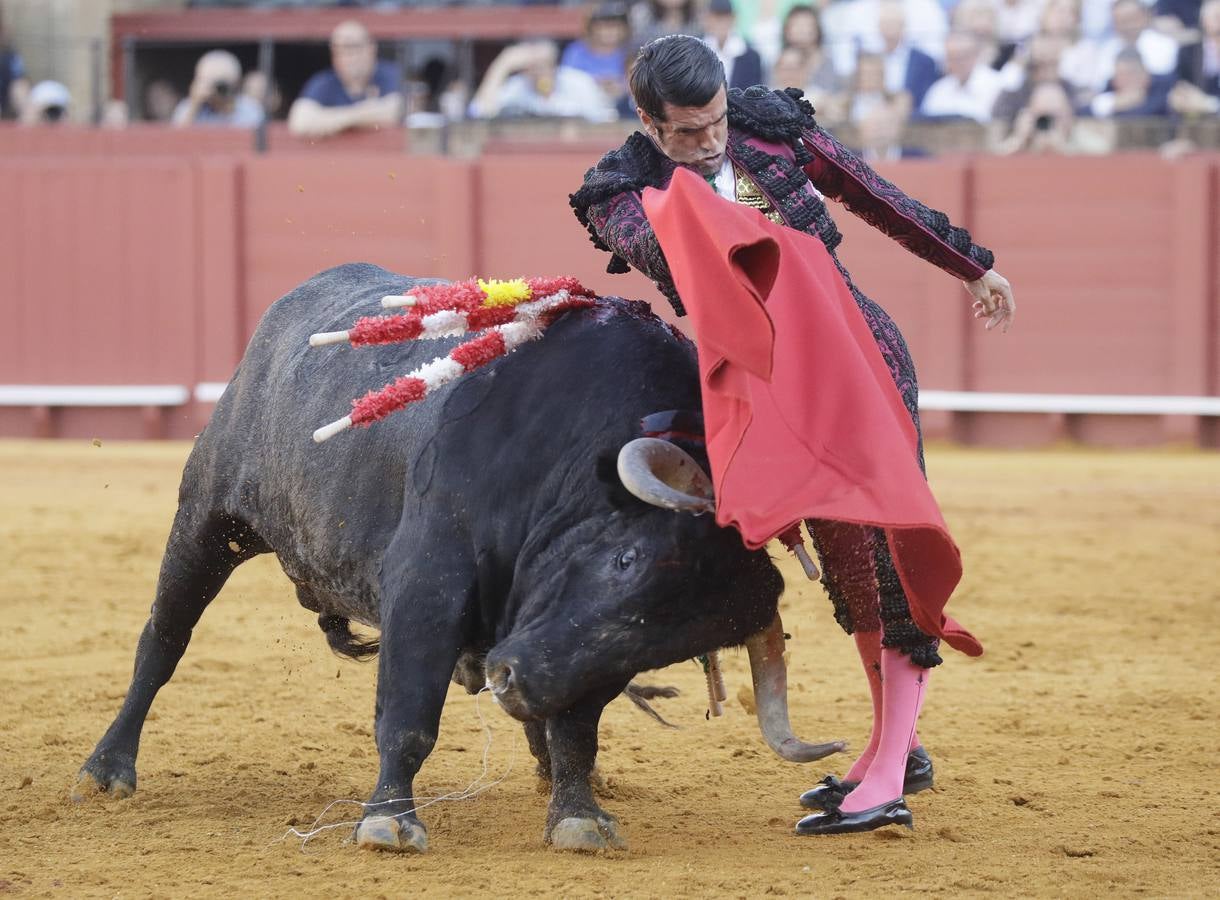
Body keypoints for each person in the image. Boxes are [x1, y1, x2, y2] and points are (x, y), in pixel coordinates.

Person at [570, 35, 1015, 836]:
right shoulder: (623, 189)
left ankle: (889, 772)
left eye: (716, 120)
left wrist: (971, 265)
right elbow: (678, 253)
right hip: (768, 383)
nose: (711, 140)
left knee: (885, 542)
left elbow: (874, 195)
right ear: (648, 120)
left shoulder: (769, 127)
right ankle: (897, 745)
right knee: (846, 561)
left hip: (858, 355)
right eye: (689, 132)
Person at [288, 20, 403, 139]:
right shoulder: (325, 81)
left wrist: (329, 119)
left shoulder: (392, 74)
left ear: (371, 48)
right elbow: (300, 122)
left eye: (355, 47)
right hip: (335, 150)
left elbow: (397, 110)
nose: (350, 56)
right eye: (342, 49)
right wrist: (364, 113)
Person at [468, 40, 615, 121]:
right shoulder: (518, 86)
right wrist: (503, 64)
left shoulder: (580, 83)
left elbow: (606, 120)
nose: (540, 73)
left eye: (545, 65)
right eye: (533, 67)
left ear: (555, 65)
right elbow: (478, 112)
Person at [561, 0, 634, 112]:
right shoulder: (576, 52)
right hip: (583, 108)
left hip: (623, 108)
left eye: (616, 25)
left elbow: (640, 83)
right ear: (591, 27)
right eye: (603, 26)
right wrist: (594, 85)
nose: (610, 31)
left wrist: (621, 87)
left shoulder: (631, 52)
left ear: (625, 28)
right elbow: (566, 83)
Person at [919, 31, 1006, 121]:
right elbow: (925, 122)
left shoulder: (996, 85)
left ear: (975, 56)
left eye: (960, 57)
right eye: (950, 58)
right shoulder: (939, 89)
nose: (954, 64)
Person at [173, 50, 264, 128]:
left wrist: (228, 109)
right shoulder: (189, 108)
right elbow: (177, 137)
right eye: (215, 85)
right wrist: (194, 105)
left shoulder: (250, 109)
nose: (219, 91)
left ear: (236, 83)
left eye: (223, 85)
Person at [1168, 0, 1220, 116]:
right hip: (1197, 117)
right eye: (1217, 17)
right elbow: (1180, 86)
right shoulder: (1189, 51)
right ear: (1203, 20)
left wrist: (1209, 104)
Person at [702, 0, 765, 92]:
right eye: (716, 17)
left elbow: (754, 93)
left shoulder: (751, 56)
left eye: (725, 17)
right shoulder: (698, 50)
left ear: (733, 18)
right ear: (708, 19)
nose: (721, 22)